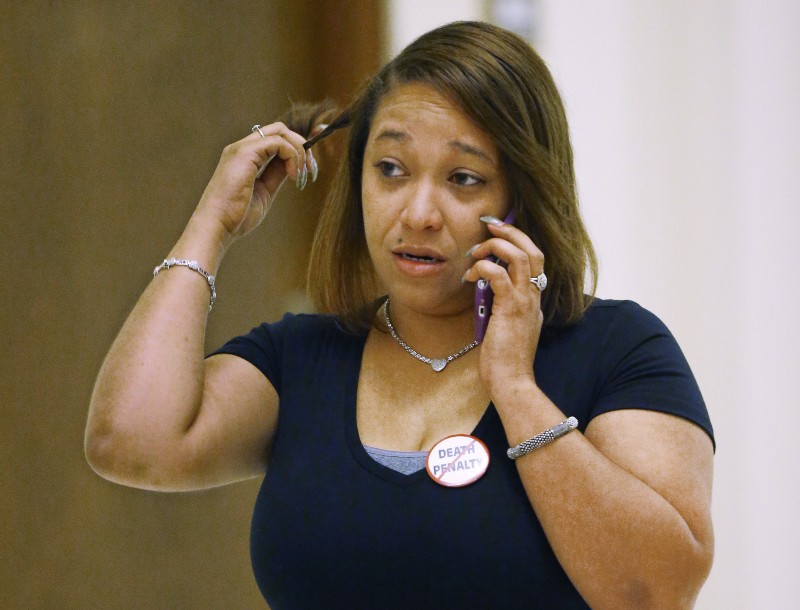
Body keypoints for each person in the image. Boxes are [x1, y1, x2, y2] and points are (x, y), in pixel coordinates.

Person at [85, 21, 714, 609]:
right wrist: (210, 226)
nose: (418, 214)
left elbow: (655, 591)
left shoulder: (617, 349)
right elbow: (130, 443)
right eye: (390, 170)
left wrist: (516, 388)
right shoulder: (300, 358)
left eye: (463, 178)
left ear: (522, 199)